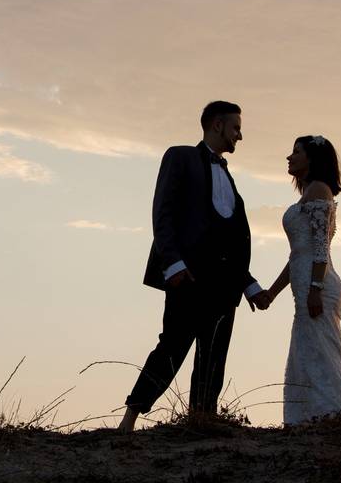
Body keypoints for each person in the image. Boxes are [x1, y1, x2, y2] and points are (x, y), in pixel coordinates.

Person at [118, 101, 270, 432]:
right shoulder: (180, 156)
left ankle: (201, 421)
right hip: (187, 277)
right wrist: (172, 263)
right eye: (236, 128)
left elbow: (227, 239)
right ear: (217, 125)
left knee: (213, 356)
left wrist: (250, 286)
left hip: (225, 284)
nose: (239, 136)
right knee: (171, 347)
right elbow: (163, 212)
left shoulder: (228, 176)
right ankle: (129, 419)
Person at [264, 135, 341, 424]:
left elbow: (320, 247)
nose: (289, 157)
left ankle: (335, 417)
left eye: (296, 152)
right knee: (306, 351)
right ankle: (309, 418)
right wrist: (272, 291)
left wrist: (315, 288)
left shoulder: (319, 190)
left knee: (321, 352)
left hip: (317, 286)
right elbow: (297, 255)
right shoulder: (309, 193)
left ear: (312, 159)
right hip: (306, 284)